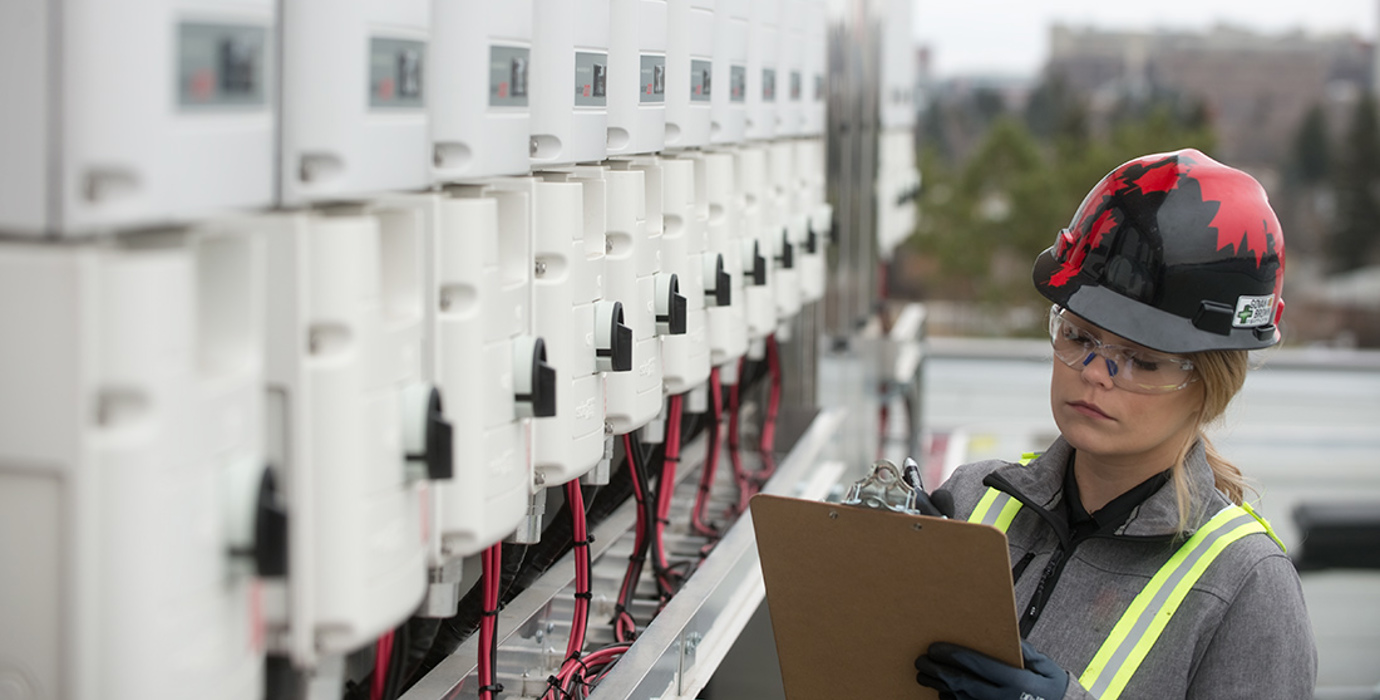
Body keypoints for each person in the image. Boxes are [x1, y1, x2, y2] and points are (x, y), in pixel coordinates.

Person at [913, 149, 1317, 699]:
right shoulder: (972, 501)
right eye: (1078, 337)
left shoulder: (1246, 586)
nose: (1095, 375)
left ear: (1212, 384)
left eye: (1143, 360)